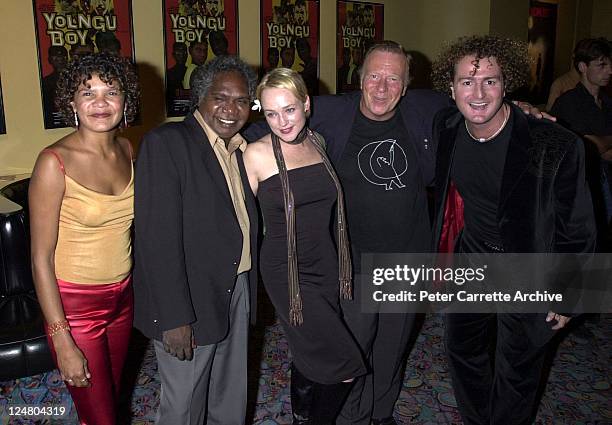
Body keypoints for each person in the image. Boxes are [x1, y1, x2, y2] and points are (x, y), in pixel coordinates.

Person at [430, 35, 596, 425]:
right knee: (461, 349)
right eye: (467, 82)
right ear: (450, 88)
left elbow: (579, 229)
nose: (478, 93)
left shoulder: (554, 143)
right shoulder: (447, 126)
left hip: (530, 268)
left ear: (507, 85)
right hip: (473, 255)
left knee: (516, 370)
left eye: (490, 80)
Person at [133, 55, 259, 425]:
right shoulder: (168, 143)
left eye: (240, 100)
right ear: (199, 98)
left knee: (229, 393)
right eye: (221, 97)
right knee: (183, 405)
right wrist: (174, 317)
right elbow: (156, 238)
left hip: (236, 285)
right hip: (188, 297)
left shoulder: (241, 147)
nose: (230, 109)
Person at [244, 68, 366, 424]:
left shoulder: (318, 142)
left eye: (290, 109)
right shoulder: (254, 155)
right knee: (344, 364)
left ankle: (301, 414)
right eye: (271, 113)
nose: (281, 121)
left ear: (307, 104)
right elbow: (235, 219)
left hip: (326, 263)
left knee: (308, 352)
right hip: (288, 273)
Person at [29, 52, 139, 425]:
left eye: (111, 91)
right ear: (71, 103)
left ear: (126, 100)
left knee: (111, 397)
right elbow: (40, 259)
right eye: (87, 92)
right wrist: (61, 337)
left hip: (123, 297)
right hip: (75, 308)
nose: (100, 103)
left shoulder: (127, 150)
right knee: (101, 417)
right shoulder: (53, 162)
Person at [551, 38, 612, 251]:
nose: (609, 70)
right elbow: (588, 148)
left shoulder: (607, 102)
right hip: (586, 183)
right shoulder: (569, 102)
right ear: (583, 67)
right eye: (602, 65)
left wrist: (600, 142)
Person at [42, 45, 69, 128]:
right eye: (56, 57)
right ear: (50, 60)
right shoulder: (47, 81)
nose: (60, 59)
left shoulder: (75, 78)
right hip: (54, 120)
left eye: (63, 56)